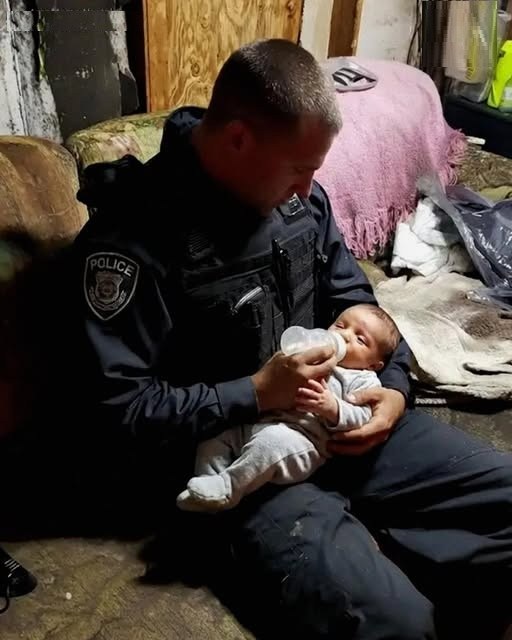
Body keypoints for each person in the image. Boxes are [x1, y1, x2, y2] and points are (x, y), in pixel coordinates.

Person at [46, 39, 511, 639]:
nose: (308, 188)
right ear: (239, 139)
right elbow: (118, 412)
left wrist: (394, 390)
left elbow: (357, 303)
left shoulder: (299, 206)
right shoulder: (130, 243)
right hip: (244, 463)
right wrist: (257, 393)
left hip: (339, 418)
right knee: (397, 624)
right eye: (299, 169)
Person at [176, 304, 399, 512]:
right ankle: (206, 485)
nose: (345, 335)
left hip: (301, 441)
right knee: (215, 436)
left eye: (360, 339)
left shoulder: (363, 379)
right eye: (340, 325)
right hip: (264, 419)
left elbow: (364, 416)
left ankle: (229, 487)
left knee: (269, 444)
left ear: (374, 364)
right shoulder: (315, 351)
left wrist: (332, 408)